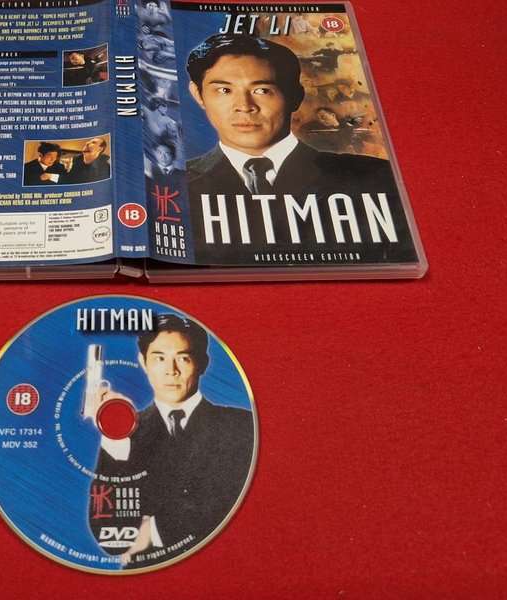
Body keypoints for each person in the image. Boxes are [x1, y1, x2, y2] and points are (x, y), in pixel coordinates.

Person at [184, 34, 411, 262]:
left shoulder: (376, 177)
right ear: (198, 95)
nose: (244, 107)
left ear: (295, 96)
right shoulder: (178, 183)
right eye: (224, 90)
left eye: (262, 90)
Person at [89, 314, 255, 569]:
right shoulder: (124, 435)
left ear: (202, 363)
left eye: (183, 358)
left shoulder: (242, 426)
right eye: (159, 358)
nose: (171, 370)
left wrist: (151, 531)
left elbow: (229, 508)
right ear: (143, 363)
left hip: (226, 569)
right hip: (145, 580)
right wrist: (116, 439)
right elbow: (109, 534)